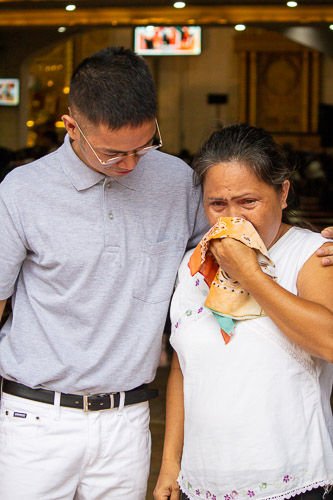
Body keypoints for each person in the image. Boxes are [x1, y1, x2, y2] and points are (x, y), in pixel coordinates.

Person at [0, 46, 208, 500]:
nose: (132, 164)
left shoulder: (177, 181)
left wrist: (308, 240)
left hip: (128, 419)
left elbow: (228, 247)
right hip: (35, 421)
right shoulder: (22, 191)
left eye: (145, 145)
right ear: (71, 126)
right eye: (115, 153)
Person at [154, 123, 333, 500]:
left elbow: (329, 342)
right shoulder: (192, 266)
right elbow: (184, 367)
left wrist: (249, 273)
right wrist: (171, 463)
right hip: (201, 482)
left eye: (248, 202)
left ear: (283, 193)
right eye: (218, 204)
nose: (232, 219)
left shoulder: (312, 256)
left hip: (292, 481)